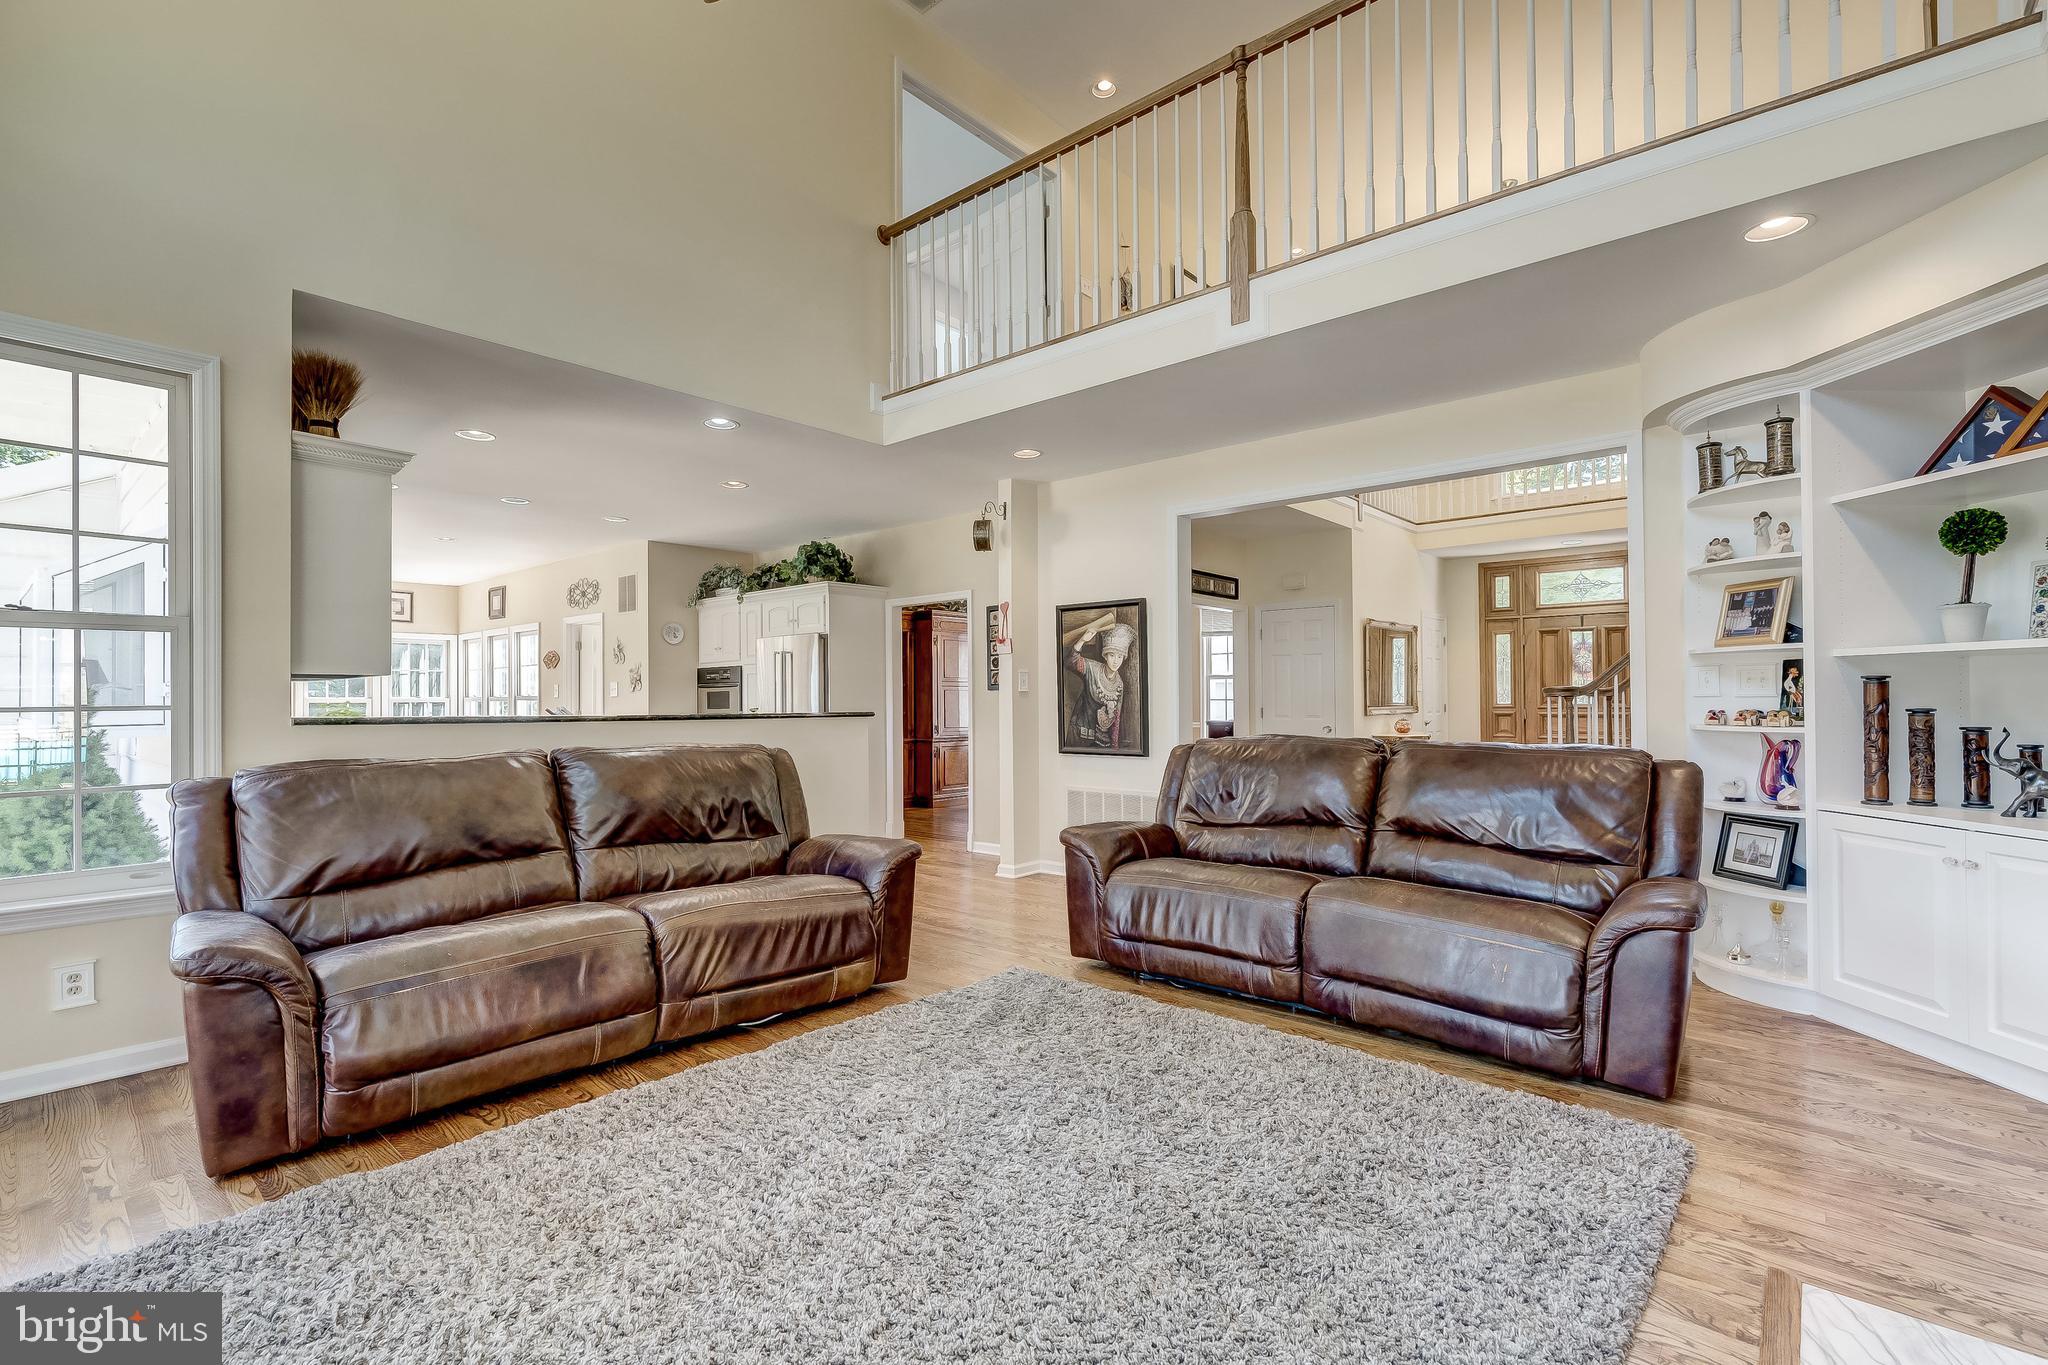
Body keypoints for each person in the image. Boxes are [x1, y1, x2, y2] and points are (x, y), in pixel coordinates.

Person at [1068, 620, 1135, 749]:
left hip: (1101, 741)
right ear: (1105, 656)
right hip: (1079, 732)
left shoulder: (1119, 684)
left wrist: (1114, 748)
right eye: (1112, 655)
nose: (1116, 661)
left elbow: (1116, 719)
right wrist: (1082, 640)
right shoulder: (1092, 668)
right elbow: (1071, 662)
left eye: (1119, 657)